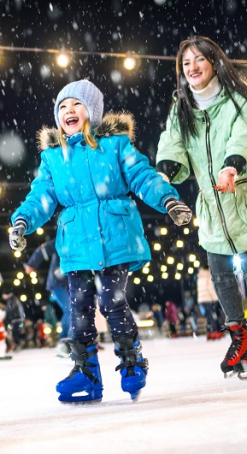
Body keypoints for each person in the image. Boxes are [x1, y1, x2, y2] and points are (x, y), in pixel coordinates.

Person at [9, 79, 192, 404]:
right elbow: (41, 197)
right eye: (62, 107)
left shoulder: (115, 146)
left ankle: (132, 361)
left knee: (111, 302)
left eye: (76, 104)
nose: (69, 111)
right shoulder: (54, 157)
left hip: (115, 238)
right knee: (78, 309)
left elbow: (143, 176)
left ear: (91, 111)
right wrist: (22, 220)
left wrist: (168, 200)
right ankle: (87, 373)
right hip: (76, 244)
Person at [156, 36, 247, 377]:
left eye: (199, 60)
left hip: (245, 190)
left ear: (214, 63)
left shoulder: (237, 99)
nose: (192, 68)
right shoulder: (181, 108)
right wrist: (164, 172)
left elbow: (244, 133)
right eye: (186, 64)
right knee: (218, 266)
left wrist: (232, 165)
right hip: (213, 201)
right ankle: (239, 336)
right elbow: (172, 142)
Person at [25, 239, 71, 344]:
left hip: (71, 282)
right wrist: (31, 264)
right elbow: (44, 248)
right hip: (57, 282)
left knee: (79, 309)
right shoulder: (64, 238)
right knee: (70, 309)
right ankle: (64, 339)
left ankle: (81, 338)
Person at [197, 265, 225, 340]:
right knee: (214, 316)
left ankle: (209, 332)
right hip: (210, 299)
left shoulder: (200, 277)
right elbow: (211, 288)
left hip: (202, 300)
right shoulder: (208, 276)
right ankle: (216, 332)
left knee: (209, 317)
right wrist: (216, 298)